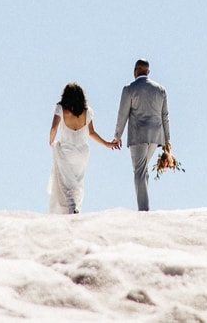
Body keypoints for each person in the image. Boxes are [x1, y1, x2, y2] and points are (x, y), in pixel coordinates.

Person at [47, 82, 118, 214]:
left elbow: (54, 128)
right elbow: (91, 132)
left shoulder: (60, 109)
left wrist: (51, 142)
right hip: (82, 153)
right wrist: (107, 144)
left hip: (67, 151)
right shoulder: (88, 112)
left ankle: (72, 207)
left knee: (66, 182)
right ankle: (76, 207)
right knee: (78, 182)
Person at [114, 59, 171, 211]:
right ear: (148, 72)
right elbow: (165, 115)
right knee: (143, 170)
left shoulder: (129, 89)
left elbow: (123, 114)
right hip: (155, 137)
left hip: (138, 136)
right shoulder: (161, 90)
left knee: (138, 171)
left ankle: (143, 210)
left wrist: (117, 135)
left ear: (135, 71)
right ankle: (144, 205)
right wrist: (167, 141)